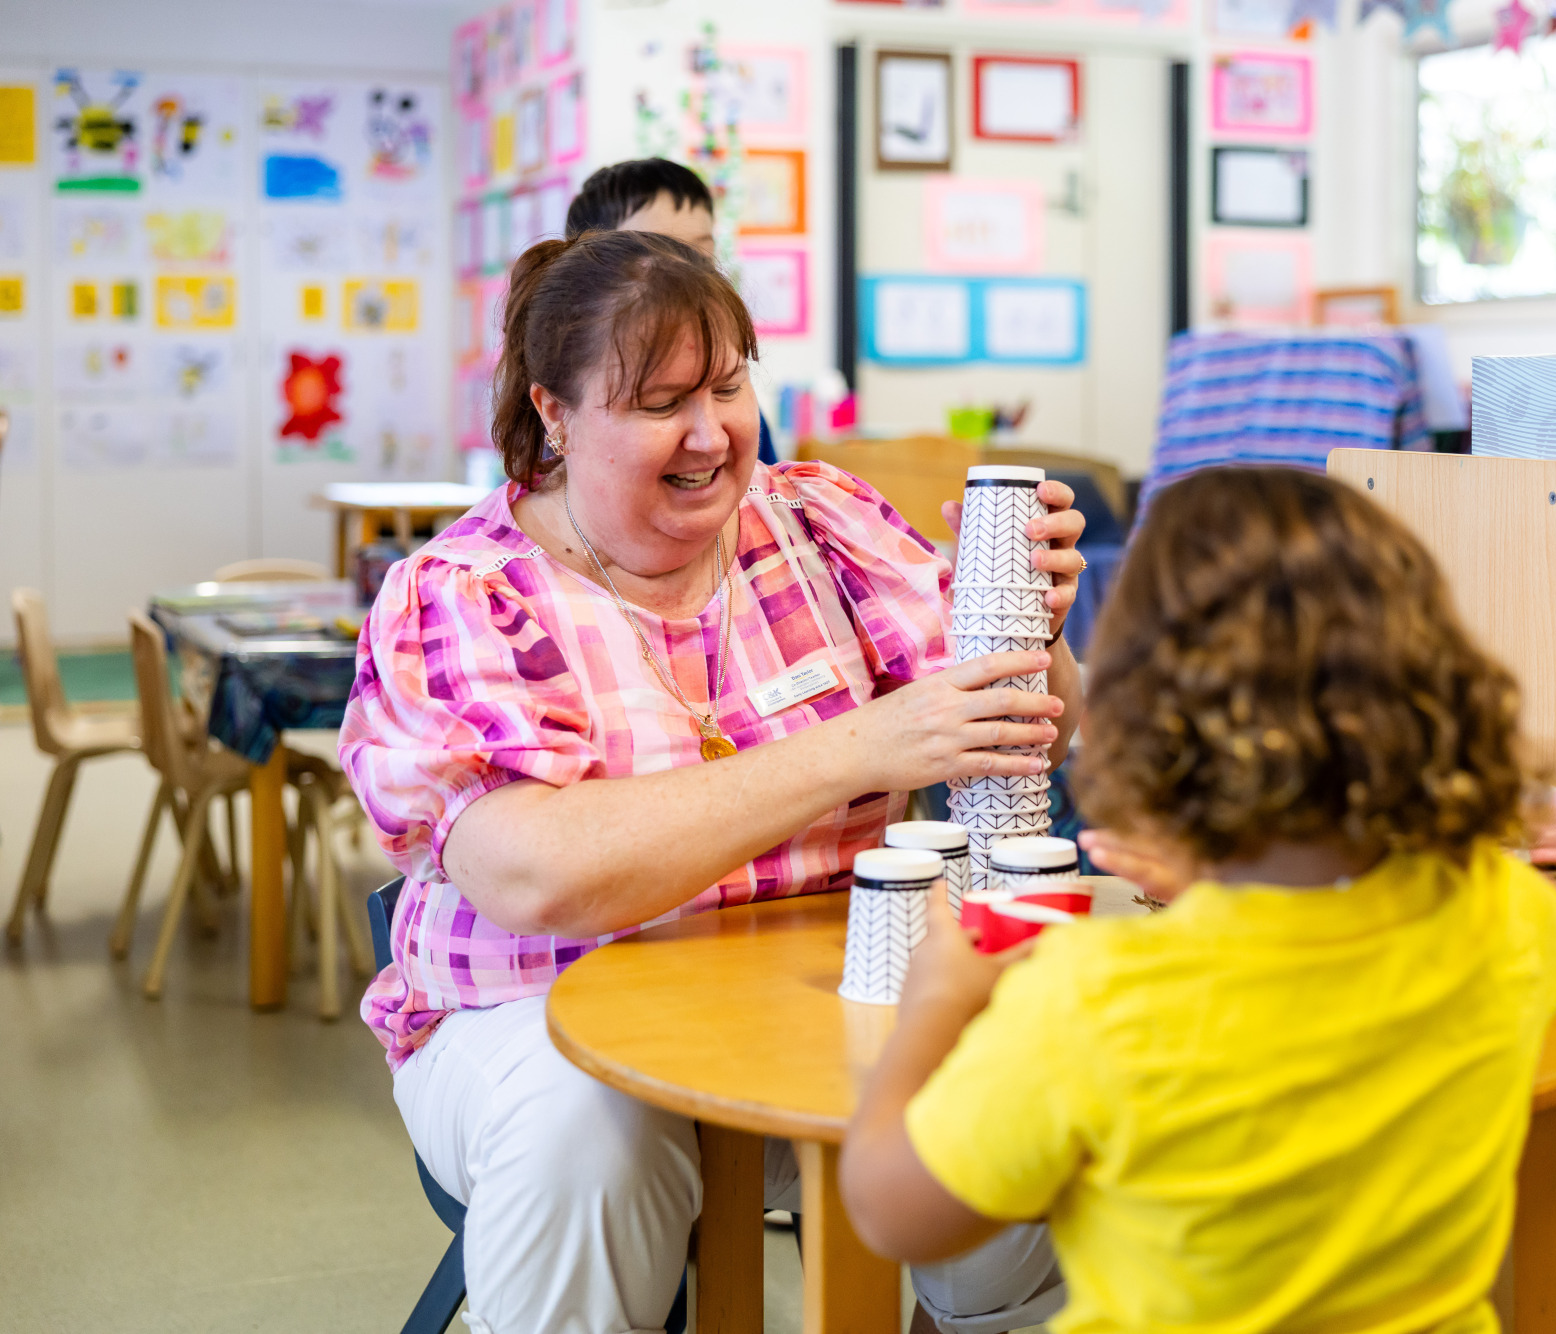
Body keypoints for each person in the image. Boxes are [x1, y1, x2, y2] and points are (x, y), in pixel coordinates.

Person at [340, 229, 1087, 1334]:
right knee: (586, 1128)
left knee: (1059, 1082)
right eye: (658, 402)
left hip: (823, 1011)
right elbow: (536, 876)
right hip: (528, 1019)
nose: (709, 433)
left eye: (730, 384)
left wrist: (1036, 631)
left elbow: (1033, 729)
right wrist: (863, 746)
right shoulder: (463, 594)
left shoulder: (817, 521)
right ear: (554, 412)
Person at [842, 467, 1556, 1334]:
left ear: (1152, 721)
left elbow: (894, 1211)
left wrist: (940, 999)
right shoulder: (1513, 920)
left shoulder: (1098, 1002)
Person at [565, 155, 777, 465]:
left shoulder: (734, 409)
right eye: (657, 262)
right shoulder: (570, 414)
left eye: (702, 260)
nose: (688, 282)